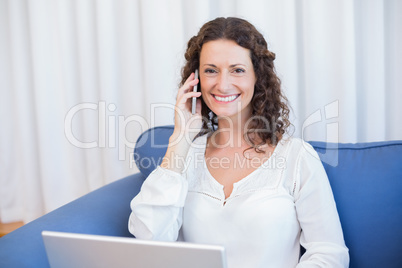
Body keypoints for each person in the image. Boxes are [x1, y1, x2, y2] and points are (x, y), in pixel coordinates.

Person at [129, 17, 349, 268]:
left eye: (237, 70)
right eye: (211, 70)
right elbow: (148, 243)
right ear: (196, 79)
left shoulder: (297, 157)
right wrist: (180, 139)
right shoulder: (184, 155)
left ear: (258, 77)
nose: (222, 85)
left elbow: (328, 253)